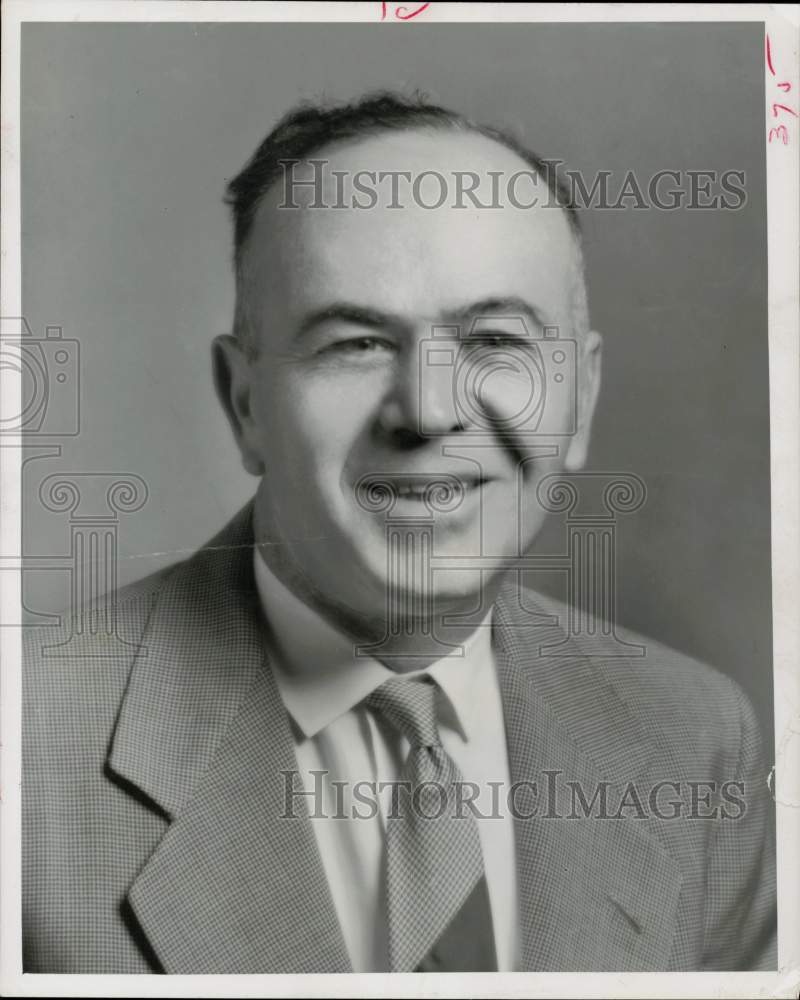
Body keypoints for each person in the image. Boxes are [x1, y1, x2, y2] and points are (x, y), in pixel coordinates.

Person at [22, 92, 776, 974]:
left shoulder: (693, 734)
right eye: (354, 343)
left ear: (580, 402)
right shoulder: (25, 752)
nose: (428, 408)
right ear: (245, 404)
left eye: (495, 339)